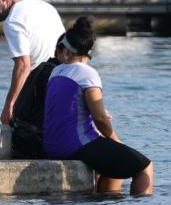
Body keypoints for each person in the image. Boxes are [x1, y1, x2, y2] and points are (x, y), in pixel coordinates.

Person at [42, 16, 154, 195]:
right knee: (144, 167)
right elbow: (100, 118)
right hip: (74, 146)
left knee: (114, 164)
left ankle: (107, 200)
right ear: (88, 51)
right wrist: (116, 141)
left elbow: (69, 109)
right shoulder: (87, 73)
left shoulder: (55, 72)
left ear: (66, 50)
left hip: (51, 145)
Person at [0, 0, 66, 127]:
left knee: (14, 121)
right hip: (66, 75)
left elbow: (23, 66)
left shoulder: (12, 21)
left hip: (42, 82)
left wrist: (9, 106)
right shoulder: (44, 6)